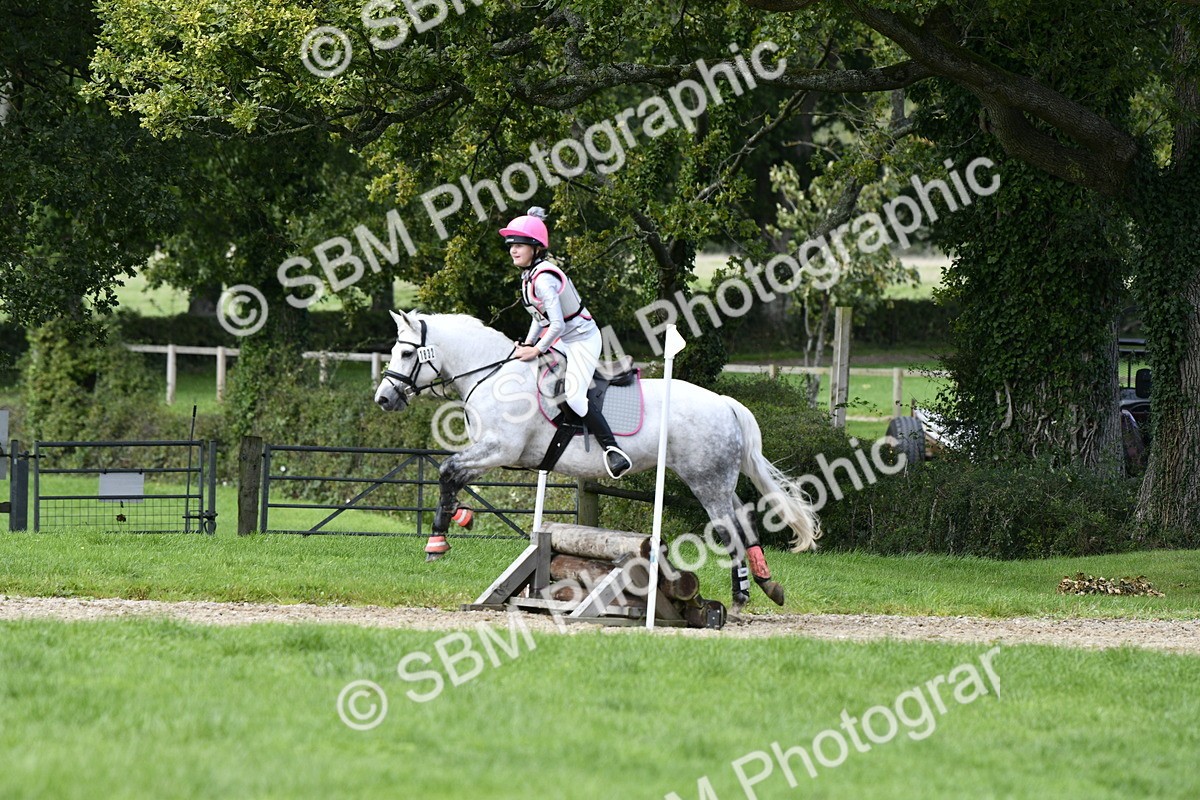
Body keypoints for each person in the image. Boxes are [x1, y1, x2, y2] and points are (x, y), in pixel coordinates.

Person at [499, 207, 633, 479]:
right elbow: (540, 318)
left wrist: (537, 349)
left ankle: (613, 450)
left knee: (573, 395)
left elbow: (557, 324)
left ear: (536, 248)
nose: (513, 250)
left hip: (582, 340)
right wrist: (526, 344)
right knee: (534, 373)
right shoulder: (529, 276)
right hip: (562, 338)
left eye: (520, 245)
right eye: (511, 245)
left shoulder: (544, 279)